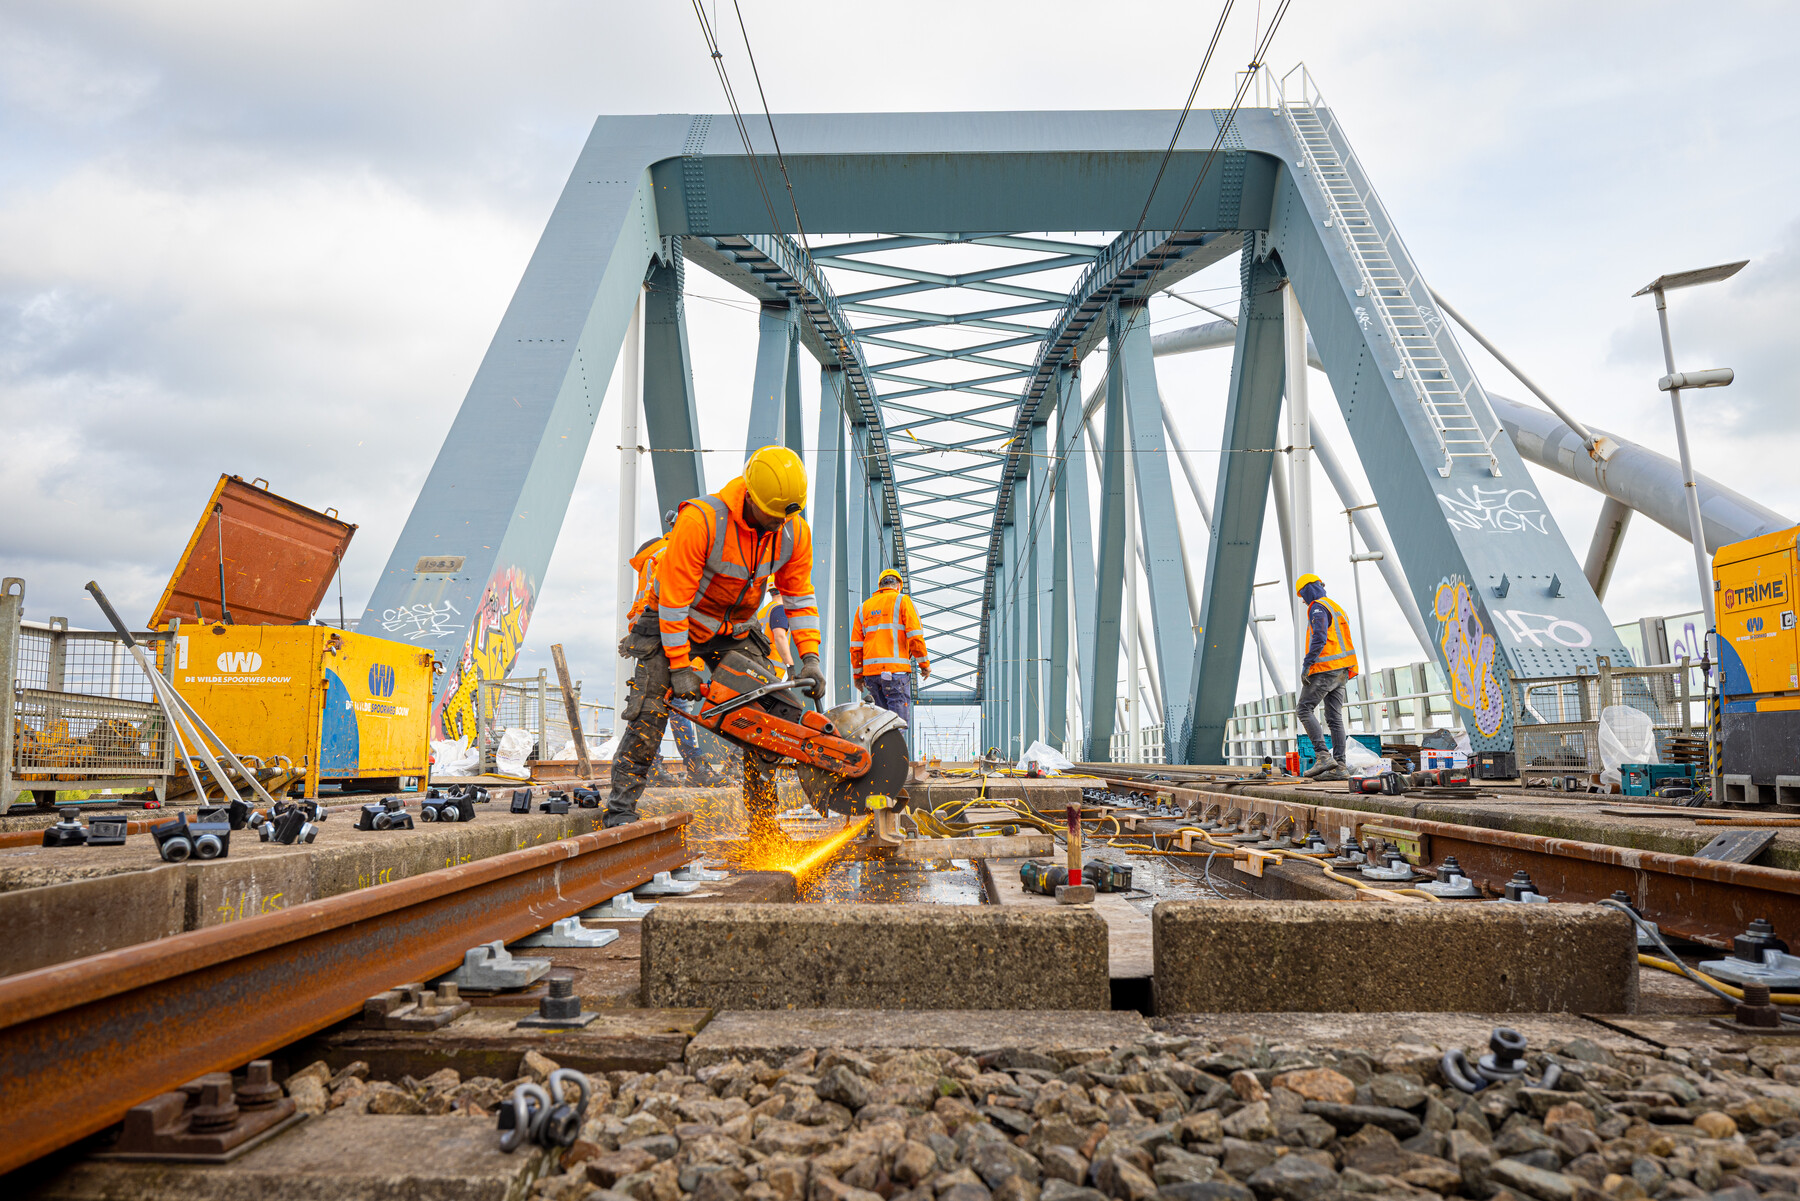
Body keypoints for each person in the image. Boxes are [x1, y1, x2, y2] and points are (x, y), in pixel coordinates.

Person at [607, 447, 824, 838]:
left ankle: (763, 824)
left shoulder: (793, 531)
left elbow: (800, 600)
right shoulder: (702, 521)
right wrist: (678, 667)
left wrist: (810, 657)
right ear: (750, 497)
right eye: (770, 516)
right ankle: (621, 808)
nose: (777, 525)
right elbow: (673, 605)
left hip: (736, 628)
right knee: (651, 708)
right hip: (676, 624)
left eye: (784, 517)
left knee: (768, 714)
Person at [1293, 573, 1359, 780]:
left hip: (1325, 668)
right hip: (1342, 670)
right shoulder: (1336, 607)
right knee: (1334, 717)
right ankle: (1340, 766)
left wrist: (1307, 664)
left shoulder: (1318, 607)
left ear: (1307, 590)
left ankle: (1322, 756)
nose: (1303, 601)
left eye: (1303, 596)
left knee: (1304, 709)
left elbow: (1320, 637)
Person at [851, 568, 929, 727]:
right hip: (896, 673)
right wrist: (924, 664)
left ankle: (879, 752)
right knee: (897, 724)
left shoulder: (863, 607)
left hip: (872, 676)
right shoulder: (903, 601)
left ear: (880, 586)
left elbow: (856, 646)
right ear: (898, 585)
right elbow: (915, 636)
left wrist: (858, 676)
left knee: (880, 724)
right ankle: (895, 752)